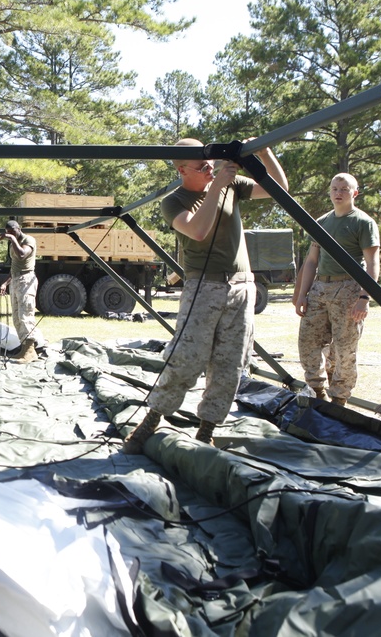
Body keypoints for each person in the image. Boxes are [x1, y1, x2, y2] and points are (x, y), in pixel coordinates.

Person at [123, 138, 288, 451]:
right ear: (183, 170)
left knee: (230, 363)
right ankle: (152, 419)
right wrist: (218, 186)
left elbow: (279, 188)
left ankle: (206, 429)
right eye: (201, 166)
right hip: (204, 288)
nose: (209, 168)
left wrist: (265, 151)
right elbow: (198, 230)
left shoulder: (232, 185)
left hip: (241, 286)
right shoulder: (174, 201)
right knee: (186, 358)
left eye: (210, 162)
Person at [293, 173, 380, 408]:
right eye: (334, 189)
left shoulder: (363, 222)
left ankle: (339, 399)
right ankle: (317, 391)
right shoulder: (321, 222)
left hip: (349, 288)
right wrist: (301, 294)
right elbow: (311, 261)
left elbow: (372, 262)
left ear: (355, 193)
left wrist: (364, 296)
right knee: (308, 342)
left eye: (344, 189)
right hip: (320, 287)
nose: (338, 193)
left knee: (344, 348)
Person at [0, 219, 46, 363]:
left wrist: (11, 238)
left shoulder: (28, 239)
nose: (11, 234)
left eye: (13, 232)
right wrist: (5, 283)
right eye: (8, 233)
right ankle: (25, 349)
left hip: (26, 280)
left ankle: (30, 350)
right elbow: (15, 266)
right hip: (16, 280)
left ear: (19, 229)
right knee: (17, 318)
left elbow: (22, 255)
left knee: (26, 315)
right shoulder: (14, 243)